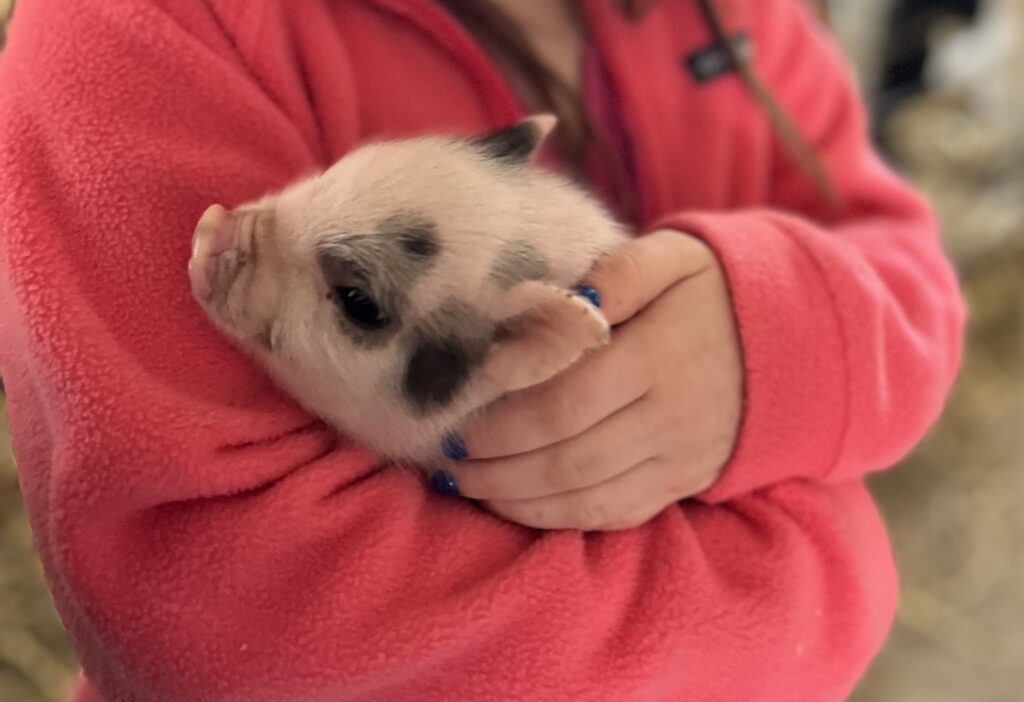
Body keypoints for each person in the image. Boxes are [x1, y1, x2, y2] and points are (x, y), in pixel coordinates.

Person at [0, 0, 964, 700]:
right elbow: (220, 615)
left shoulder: (731, 18)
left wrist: (782, 340)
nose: (233, 238)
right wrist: (821, 565)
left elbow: (889, 252)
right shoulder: (149, 31)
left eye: (354, 296)